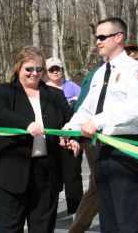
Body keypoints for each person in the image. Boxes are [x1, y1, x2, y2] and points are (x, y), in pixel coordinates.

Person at [63, 17, 138, 232]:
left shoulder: (135, 71)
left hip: (125, 148)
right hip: (101, 147)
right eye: (96, 38)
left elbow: (135, 110)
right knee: (108, 216)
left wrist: (98, 121)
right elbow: (87, 108)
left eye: (102, 37)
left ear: (119, 37)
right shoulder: (100, 73)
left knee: (126, 217)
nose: (98, 42)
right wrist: (70, 128)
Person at [0, 46, 80, 233]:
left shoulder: (54, 94)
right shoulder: (3, 92)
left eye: (39, 69)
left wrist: (71, 136)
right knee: (11, 228)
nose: (34, 73)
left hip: (46, 173)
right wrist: (27, 124)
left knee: (43, 228)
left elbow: (71, 120)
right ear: (19, 67)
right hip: (11, 173)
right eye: (29, 69)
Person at [68, 58, 104, 233]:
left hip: (123, 140)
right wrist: (75, 135)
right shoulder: (96, 75)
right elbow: (82, 108)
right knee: (100, 185)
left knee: (98, 187)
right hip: (95, 138)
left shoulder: (132, 72)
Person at [45, 57, 83, 218]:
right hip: (51, 138)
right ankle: (47, 211)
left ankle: (75, 211)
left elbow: (83, 108)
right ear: (46, 72)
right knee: (50, 175)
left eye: (58, 68)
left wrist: (75, 101)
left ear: (62, 69)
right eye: (51, 69)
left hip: (71, 137)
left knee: (72, 174)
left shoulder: (72, 86)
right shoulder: (43, 89)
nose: (55, 72)